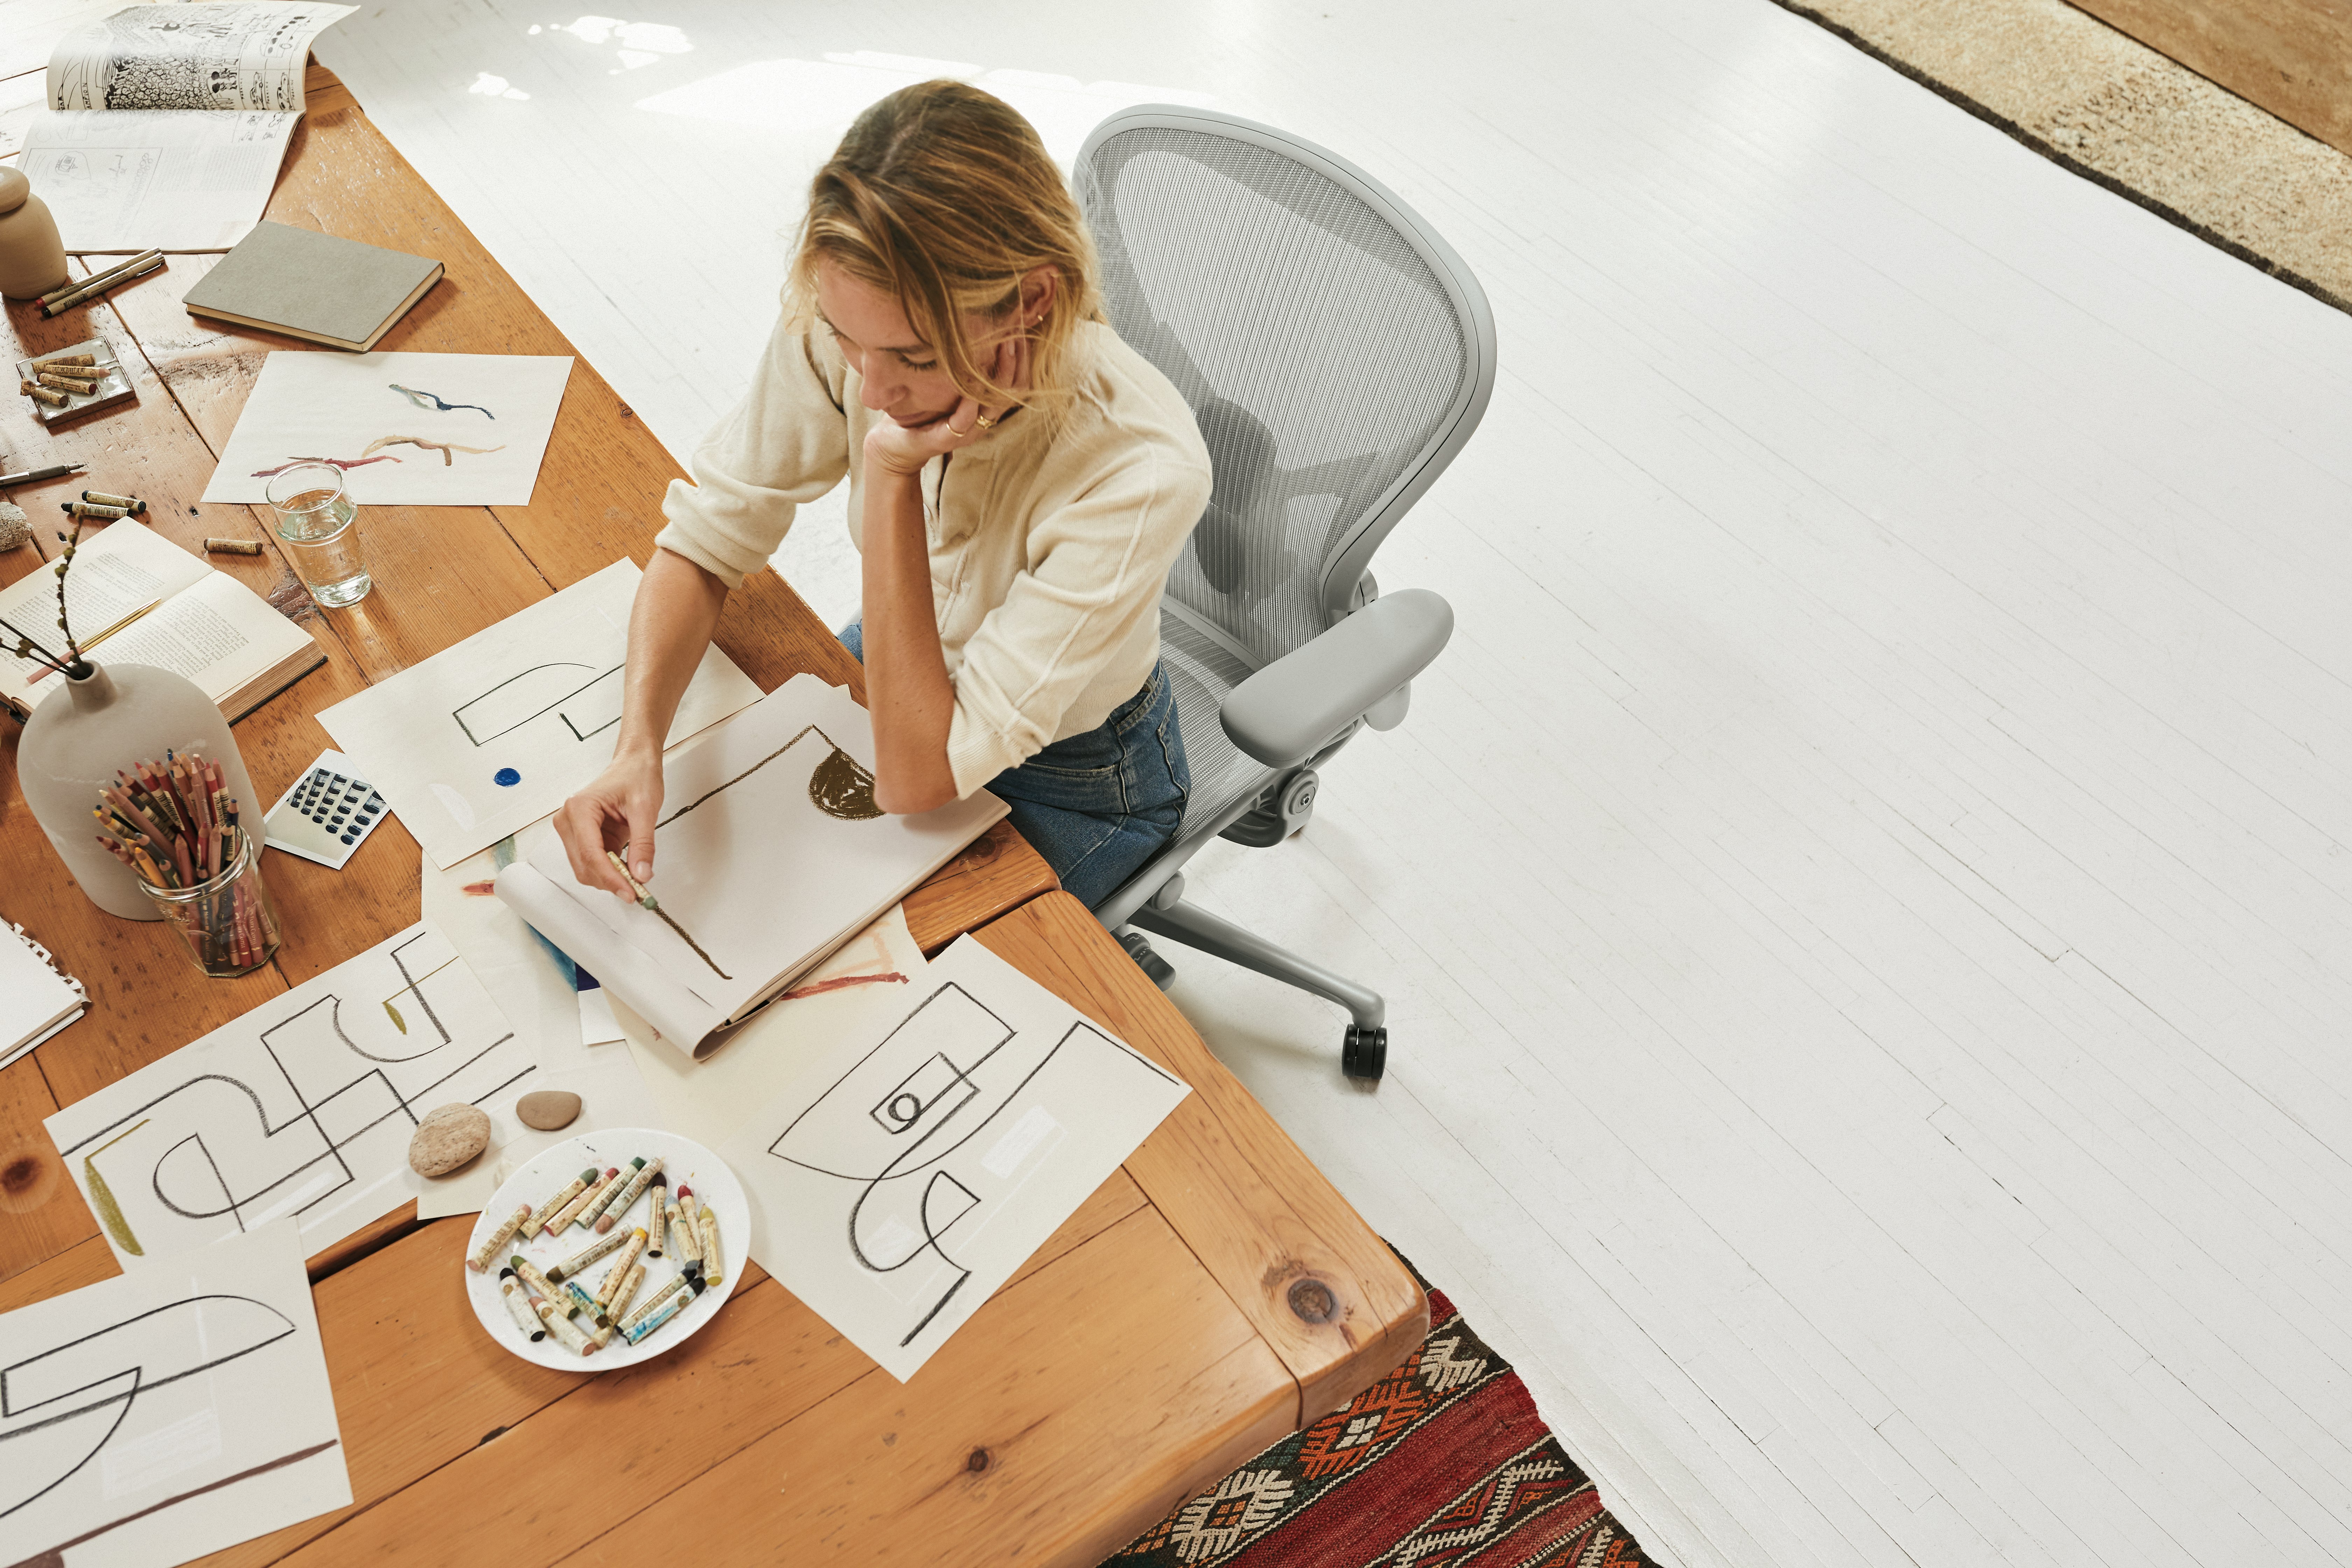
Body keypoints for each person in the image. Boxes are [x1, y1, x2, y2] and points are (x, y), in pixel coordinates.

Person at [554, 80, 1211, 911]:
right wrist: (637, 744)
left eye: (915, 356)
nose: (872, 390)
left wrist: (896, 474)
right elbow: (706, 539)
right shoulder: (866, 324)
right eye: (845, 339)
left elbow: (916, 778)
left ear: (1034, 300)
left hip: (1073, 773)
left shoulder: (1137, 467)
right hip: (901, 665)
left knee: (860, 980)